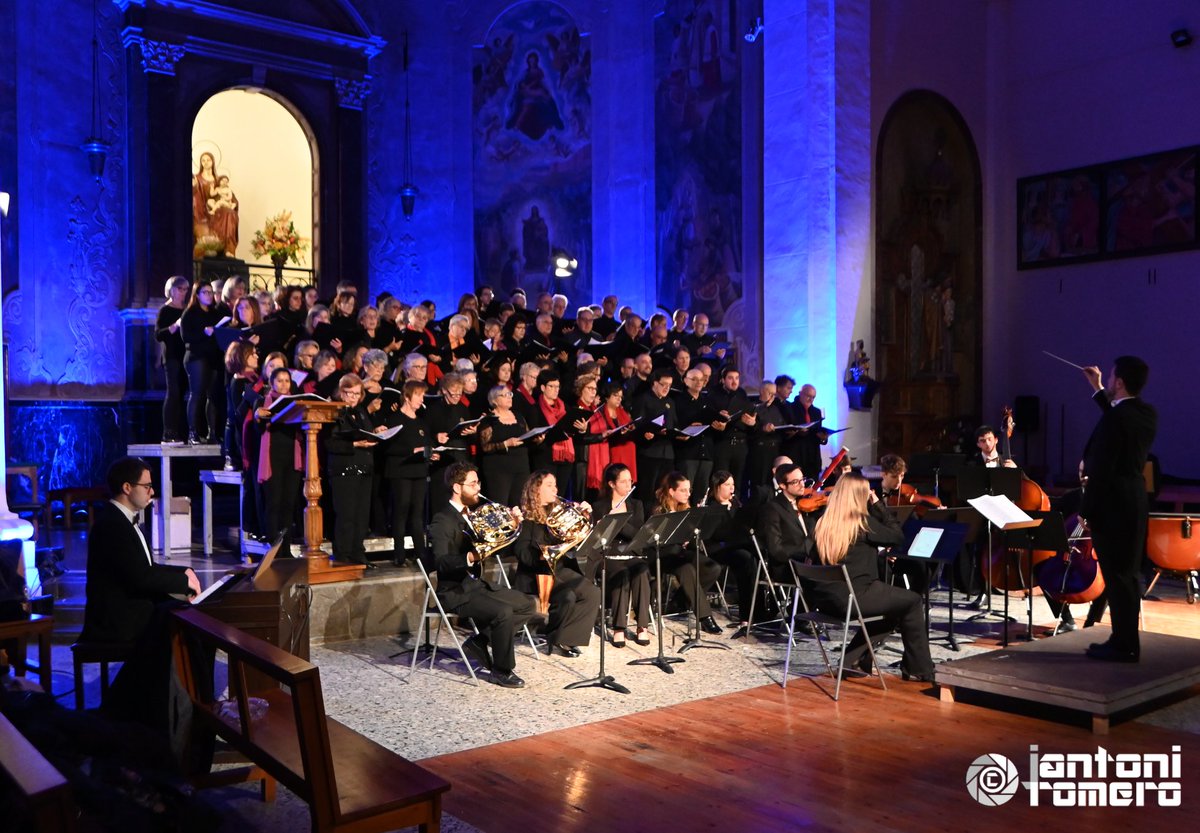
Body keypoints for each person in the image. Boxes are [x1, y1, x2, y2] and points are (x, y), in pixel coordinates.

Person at [810, 472, 935, 682]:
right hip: (856, 596)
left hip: (825, 599)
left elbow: (845, 555)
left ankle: (853, 660)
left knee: (894, 609)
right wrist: (877, 504)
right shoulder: (861, 522)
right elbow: (897, 536)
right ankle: (920, 669)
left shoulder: (823, 522)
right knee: (913, 601)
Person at [429, 463, 539, 687]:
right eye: (472, 484)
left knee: (527, 604)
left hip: (476, 585)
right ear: (457, 488)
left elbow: (496, 543)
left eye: (478, 483)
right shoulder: (442, 519)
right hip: (455, 592)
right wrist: (470, 556)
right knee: (503, 612)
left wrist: (512, 523)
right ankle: (501, 670)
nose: (478, 488)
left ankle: (480, 641)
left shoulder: (475, 515)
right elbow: (440, 562)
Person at [1080, 357, 1157, 662]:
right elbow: (1117, 419)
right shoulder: (1146, 414)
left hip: (1112, 505)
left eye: (1112, 378)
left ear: (1120, 382)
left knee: (1116, 577)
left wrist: (1086, 510)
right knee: (1128, 575)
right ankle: (1125, 640)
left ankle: (1124, 645)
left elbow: (1101, 470)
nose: (1110, 380)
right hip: (1135, 501)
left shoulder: (1117, 418)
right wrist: (1098, 387)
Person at [81, 457, 200, 645]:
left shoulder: (122, 520)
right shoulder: (112, 525)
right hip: (117, 621)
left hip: (131, 610)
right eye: (147, 486)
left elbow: (145, 568)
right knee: (189, 621)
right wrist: (184, 582)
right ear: (127, 488)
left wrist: (184, 572)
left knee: (190, 618)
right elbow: (140, 578)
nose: (152, 492)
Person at [515, 470, 601, 654]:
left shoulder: (560, 513)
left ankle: (566, 638)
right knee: (568, 596)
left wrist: (585, 518)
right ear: (536, 489)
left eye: (555, 485)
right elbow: (522, 553)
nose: (555, 489)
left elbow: (577, 541)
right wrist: (542, 555)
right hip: (536, 574)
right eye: (549, 485)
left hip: (559, 569)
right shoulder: (525, 519)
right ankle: (557, 637)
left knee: (592, 592)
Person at [651, 472, 723, 634]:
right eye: (683, 490)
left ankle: (680, 601)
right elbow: (658, 541)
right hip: (663, 555)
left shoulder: (685, 508)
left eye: (689, 490)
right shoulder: (659, 510)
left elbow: (691, 543)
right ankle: (705, 617)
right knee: (687, 569)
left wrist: (697, 524)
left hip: (680, 554)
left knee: (713, 568)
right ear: (671, 491)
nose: (688, 494)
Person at [383, 380, 443, 566]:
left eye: (422, 395)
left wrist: (431, 454)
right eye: (418, 395)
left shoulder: (422, 422)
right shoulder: (395, 420)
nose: (421, 399)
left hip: (418, 471)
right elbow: (389, 448)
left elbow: (427, 444)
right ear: (407, 397)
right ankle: (399, 554)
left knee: (417, 512)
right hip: (401, 471)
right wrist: (413, 451)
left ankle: (420, 553)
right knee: (401, 510)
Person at [327, 374, 384, 568]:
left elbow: (366, 433)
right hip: (344, 469)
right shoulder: (334, 412)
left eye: (357, 394)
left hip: (364, 467)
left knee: (361, 515)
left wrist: (376, 433)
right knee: (346, 514)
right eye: (349, 393)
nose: (353, 397)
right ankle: (343, 554)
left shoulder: (360, 411)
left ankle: (358, 553)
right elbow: (329, 443)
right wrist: (354, 444)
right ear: (341, 392)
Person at [591, 463, 652, 646]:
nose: (628, 485)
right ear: (612, 484)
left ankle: (642, 626)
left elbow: (638, 534)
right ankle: (619, 627)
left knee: (641, 571)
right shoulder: (599, 506)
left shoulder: (636, 505)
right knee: (621, 573)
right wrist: (605, 524)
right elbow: (596, 540)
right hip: (608, 555)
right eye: (623, 481)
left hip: (631, 552)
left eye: (630, 481)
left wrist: (619, 521)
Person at [700, 470, 758, 636]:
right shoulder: (710, 506)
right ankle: (746, 615)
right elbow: (714, 535)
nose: (732, 488)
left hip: (735, 546)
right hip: (717, 549)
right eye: (727, 485)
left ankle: (755, 613)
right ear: (717, 486)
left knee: (754, 556)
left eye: (733, 484)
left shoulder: (737, 505)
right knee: (745, 559)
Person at [254, 367, 304, 553]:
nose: (284, 384)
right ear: (271, 383)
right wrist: (258, 417)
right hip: (272, 458)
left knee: (288, 504)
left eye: (287, 381)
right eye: (280, 381)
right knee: (274, 503)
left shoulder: (296, 402)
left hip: (292, 458)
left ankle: (286, 548)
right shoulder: (263, 402)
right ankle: (273, 549)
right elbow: (257, 431)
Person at [179, 280, 224, 444]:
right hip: (196, 357)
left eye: (211, 292)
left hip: (213, 357)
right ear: (197, 295)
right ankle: (192, 432)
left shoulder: (215, 313)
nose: (209, 295)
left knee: (212, 396)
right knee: (197, 394)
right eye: (205, 292)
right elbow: (186, 337)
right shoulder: (190, 313)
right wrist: (204, 332)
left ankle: (212, 433)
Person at [478, 385, 534, 506]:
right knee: (500, 505)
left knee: (519, 505)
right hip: (499, 469)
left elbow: (528, 436)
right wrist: (506, 444)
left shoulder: (518, 416)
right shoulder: (489, 420)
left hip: (521, 467)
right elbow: (485, 447)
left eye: (510, 394)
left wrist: (537, 438)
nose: (509, 397)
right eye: (505, 395)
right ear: (494, 401)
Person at [758, 463, 814, 580]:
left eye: (802, 479)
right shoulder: (773, 508)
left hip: (811, 561)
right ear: (782, 485)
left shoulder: (807, 504)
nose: (802, 485)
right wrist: (806, 548)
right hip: (790, 566)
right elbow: (776, 550)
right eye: (795, 482)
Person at [155, 275, 190, 442]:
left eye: (185, 289)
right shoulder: (165, 310)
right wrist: (172, 328)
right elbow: (158, 334)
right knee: (173, 393)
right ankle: (169, 432)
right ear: (171, 290)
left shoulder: (186, 309)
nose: (183, 292)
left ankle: (181, 431)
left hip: (185, 356)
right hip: (171, 357)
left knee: (183, 393)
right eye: (180, 289)